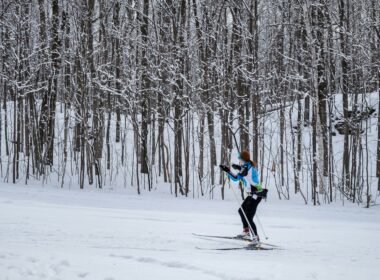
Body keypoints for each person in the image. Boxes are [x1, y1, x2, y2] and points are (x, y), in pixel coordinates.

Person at [219, 150, 267, 244]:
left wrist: (227, 170)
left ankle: (255, 238)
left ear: (243, 159)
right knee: (241, 211)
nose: (239, 160)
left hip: (256, 195)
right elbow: (245, 171)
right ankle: (246, 232)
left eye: (239, 159)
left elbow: (236, 178)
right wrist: (237, 167)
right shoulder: (248, 165)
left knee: (249, 217)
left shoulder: (246, 167)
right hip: (252, 194)